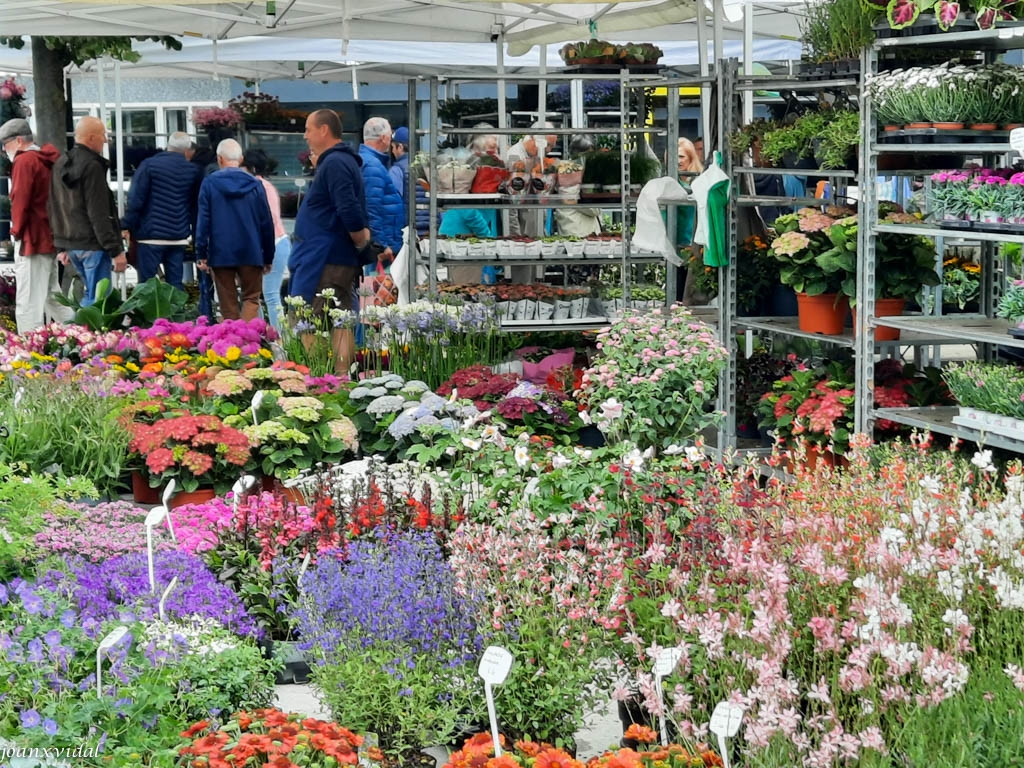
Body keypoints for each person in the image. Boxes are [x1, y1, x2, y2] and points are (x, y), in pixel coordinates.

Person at [289, 108, 377, 375]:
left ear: (324, 130)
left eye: (308, 129)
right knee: (341, 319)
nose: (305, 136)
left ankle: (321, 380)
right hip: (333, 255)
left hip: (322, 257)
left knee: (307, 318)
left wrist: (362, 238)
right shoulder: (338, 162)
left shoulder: (336, 163)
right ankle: (341, 380)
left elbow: (348, 208)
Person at [0, 118, 73, 332]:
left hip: (31, 239)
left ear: (19, 140)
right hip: (48, 237)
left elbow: (20, 200)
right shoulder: (47, 159)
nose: (4, 150)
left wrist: (15, 231)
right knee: (53, 297)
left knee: (28, 302)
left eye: (5, 144)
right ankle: (79, 334)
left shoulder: (24, 161)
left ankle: (28, 351)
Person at [48, 116, 127, 307]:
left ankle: (77, 334)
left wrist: (62, 245)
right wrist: (116, 250)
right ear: (91, 138)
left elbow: (54, 206)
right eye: (102, 135)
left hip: (72, 243)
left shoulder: (60, 163)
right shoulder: (92, 166)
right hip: (94, 244)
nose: (106, 140)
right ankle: (80, 336)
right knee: (98, 305)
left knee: (91, 297)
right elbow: (98, 212)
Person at [194, 139, 274, 320]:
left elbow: (203, 221)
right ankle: (248, 341)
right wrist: (268, 256)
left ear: (219, 159)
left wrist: (201, 253)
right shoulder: (256, 185)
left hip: (221, 253)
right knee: (251, 299)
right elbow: (266, 224)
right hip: (251, 251)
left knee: (227, 303)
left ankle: (233, 342)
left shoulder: (209, 183)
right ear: (241, 158)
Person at [120, 130, 202, 291]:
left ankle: (149, 317)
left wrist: (126, 225)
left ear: (167, 146)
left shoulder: (149, 165)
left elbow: (136, 199)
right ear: (187, 151)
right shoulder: (194, 171)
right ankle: (177, 316)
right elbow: (195, 206)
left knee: (147, 287)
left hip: (150, 237)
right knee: (175, 287)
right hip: (178, 236)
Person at [441, 128, 500, 285]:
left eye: (496, 148)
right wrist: (487, 237)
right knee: (466, 290)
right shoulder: (468, 169)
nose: (495, 153)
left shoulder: (483, 168)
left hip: (469, 239)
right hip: (463, 239)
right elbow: (467, 209)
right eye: (491, 149)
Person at [243, 148, 290, 332]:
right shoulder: (267, 186)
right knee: (266, 296)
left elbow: (266, 222)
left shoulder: (255, 187)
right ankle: (274, 340)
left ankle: (275, 340)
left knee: (267, 296)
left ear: (251, 168)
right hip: (279, 242)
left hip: (270, 244)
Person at [359, 117, 405, 267]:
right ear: (384, 138)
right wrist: (381, 244)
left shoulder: (369, 162)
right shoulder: (373, 166)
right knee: (380, 288)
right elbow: (371, 208)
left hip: (384, 243)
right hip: (384, 249)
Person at [674, 137, 704, 305]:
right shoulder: (671, 181)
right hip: (676, 244)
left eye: (681, 157)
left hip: (694, 242)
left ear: (691, 158)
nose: (678, 161)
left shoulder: (699, 181)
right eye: (674, 157)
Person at [554, 135, 601, 238]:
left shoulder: (567, 168)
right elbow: (591, 209)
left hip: (575, 228)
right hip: (577, 230)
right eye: (588, 154)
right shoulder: (570, 170)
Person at [388, 126, 431, 236]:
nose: (392, 151)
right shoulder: (426, 167)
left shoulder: (396, 170)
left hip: (409, 229)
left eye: (393, 147)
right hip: (431, 228)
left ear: (400, 147)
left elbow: (393, 203)